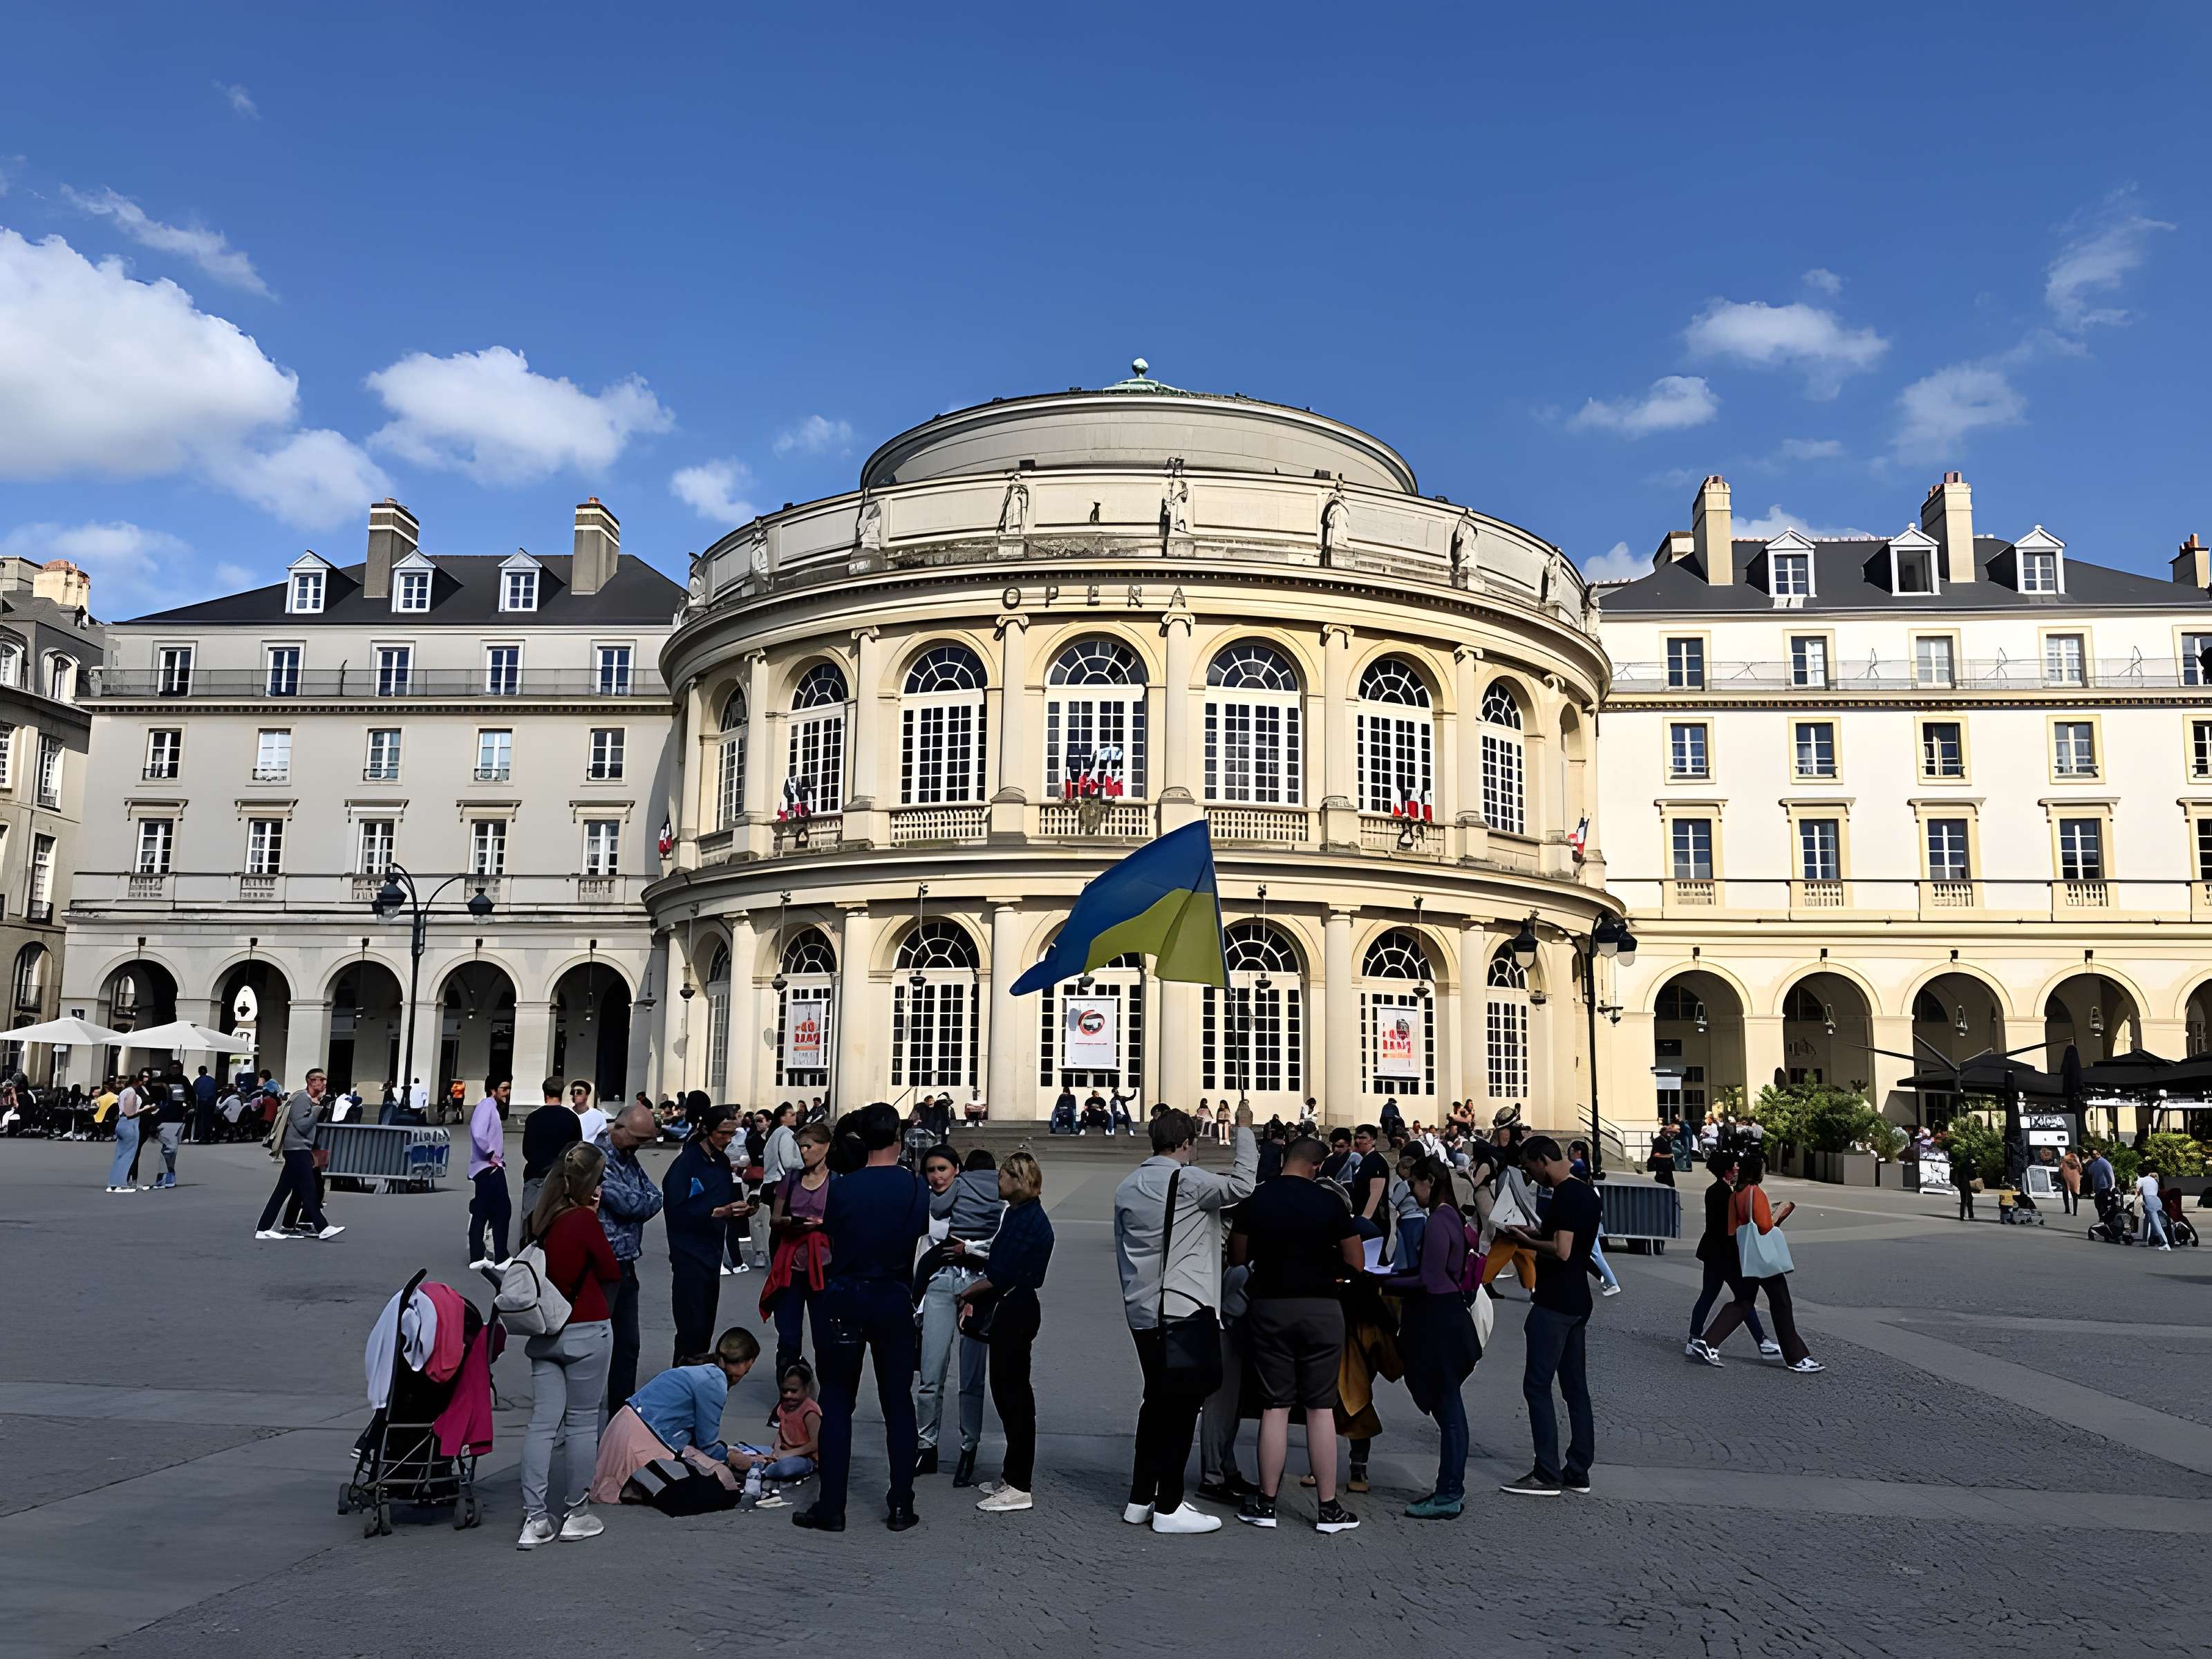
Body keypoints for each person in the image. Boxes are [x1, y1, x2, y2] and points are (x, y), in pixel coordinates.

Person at [1114, 1101, 1257, 1535]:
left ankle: (1141, 1497)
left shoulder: (1128, 1185)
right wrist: (1244, 1130)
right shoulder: (1188, 1180)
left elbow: (1123, 1248)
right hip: (1184, 1305)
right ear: (1188, 1143)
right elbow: (1244, 1185)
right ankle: (1169, 1505)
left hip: (1142, 1307)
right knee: (1182, 1406)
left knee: (1156, 1402)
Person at [794, 1101, 931, 1534]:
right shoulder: (915, 1186)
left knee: (838, 1400)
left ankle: (832, 1505)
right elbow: (917, 1234)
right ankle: (901, 1503)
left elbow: (833, 1233)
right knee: (898, 1403)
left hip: (847, 1294)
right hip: (892, 1295)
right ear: (898, 1139)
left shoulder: (843, 1187)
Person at [1229, 1136, 1365, 1534]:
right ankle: (1328, 1509)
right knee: (1321, 1408)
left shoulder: (1256, 1198)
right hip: (1322, 1308)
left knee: (1275, 1406)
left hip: (1270, 1306)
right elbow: (1356, 1262)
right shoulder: (1330, 1202)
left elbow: (1237, 1257)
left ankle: (1267, 1504)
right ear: (1317, 1167)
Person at [516, 1143, 621, 1548]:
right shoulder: (583, 1221)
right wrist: (592, 1216)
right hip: (587, 1328)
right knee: (581, 1424)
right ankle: (576, 1513)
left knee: (542, 1425)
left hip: (545, 1331)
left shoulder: (539, 1219)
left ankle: (534, 1519)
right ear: (589, 1183)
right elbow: (611, 1270)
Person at [1497, 1136, 1597, 1497]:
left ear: (1542, 1159)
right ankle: (1578, 1471)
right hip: (1578, 1298)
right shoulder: (1585, 1192)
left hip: (1555, 1300)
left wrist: (1525, 1242)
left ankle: (1546, 1473)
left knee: (1537, 1385)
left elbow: (1562, 1249)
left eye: (1529, 1168)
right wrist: (1534, 1231)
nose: (1529, 1175)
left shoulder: (1565, 1195)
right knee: (1575, 1387)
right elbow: (1568, 1237)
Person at [1382, 1155, 1481, 1518]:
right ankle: (1450, 1488)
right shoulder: (1451, 1215)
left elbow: (1430, 1279)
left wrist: (1383, 1281)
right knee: (1450, 1409)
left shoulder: (1438, 1219)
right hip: (1449, 1316)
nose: (1411, 1191)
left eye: (1414, 1184)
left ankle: (1448, 1493)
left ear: (1428, 1181)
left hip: (1437, 1320)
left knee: (1449, 1411)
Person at [962, 1150, 1053, 1515]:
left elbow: (1002, 1274)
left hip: (1015, 1308)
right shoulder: (1018, 1213)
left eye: (1003, 1175)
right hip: (1015, 1305)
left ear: (1018, 1180)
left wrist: (966, 1293)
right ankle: (1011, 1475)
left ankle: (1019, 1484)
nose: (997, 1181)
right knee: (1006, 1392)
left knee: (1013, 1395)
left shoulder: (1027, 1219)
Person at [590, 1327, 760, 1504]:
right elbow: (707, 1445)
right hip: (641, 1440)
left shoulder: (702, 1371)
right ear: (745, 1364)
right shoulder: (714, 1383)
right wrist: (731, 1457)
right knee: (719, 1485)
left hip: (623, 1429)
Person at [915, 1146, 1001, 1484]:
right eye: (931, 1170)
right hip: (941, 1281)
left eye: (943, 1169)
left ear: (958, 1169)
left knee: (972, 1377)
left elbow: (999, 1244)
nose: (937, 1176)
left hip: (977, 1284)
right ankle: (926, 1445)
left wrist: (972, 1249)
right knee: (930, 1372)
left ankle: (969, 1447)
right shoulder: (933, 1198)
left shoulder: (989, 1196)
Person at [1694, 1154, 1821, 1371]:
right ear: (1757, 1171)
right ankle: (1797, 1358)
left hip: (1747, 1257)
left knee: (1743, 1302)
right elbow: (1765, 1226)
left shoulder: (1736, 1195)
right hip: (1764, 1259)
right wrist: (1781, 1212)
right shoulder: (1756, 1192)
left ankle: (1708, 1342)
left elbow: (1732, 1230)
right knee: (1782, 1304)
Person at [663, 1098, 752, 1365]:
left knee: (705, 1326)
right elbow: (675, 1207)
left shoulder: (721, 1161)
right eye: (722, 1133)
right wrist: (715, 1212)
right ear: (706, 1130)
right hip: (688, 1253)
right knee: (690, 1327)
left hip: (712, 1252)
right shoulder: (688, 1162)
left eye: (731, 1134)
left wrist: (742, 1209)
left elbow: (726, 1196)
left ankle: (697, 1374)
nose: (727, 1139)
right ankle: (681, 1375)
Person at [596, 1101, 665, 1410]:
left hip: (626, 1262)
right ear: (619, 1128)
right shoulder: (597, 1158)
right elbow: (629, 1204)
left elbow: (654, 1196)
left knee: (628, 1344)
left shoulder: (628, 1157)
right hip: (602, 1263)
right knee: (596, 1343)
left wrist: (640, 1202)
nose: (640, 1146)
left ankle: (620, 1411)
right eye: (637, 1139)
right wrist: (640, 1202)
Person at [1687, 1150, 1776, 1365]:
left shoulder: (1715, 1190)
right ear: (1726, 1170)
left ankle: (1694, 1338)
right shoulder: (1727, 1193)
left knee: (1708, 1296)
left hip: (1712, 1251)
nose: (1737, 1168)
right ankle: (1762, 1341)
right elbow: (1733, 1225)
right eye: (1733, 1166)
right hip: (1725, 1254)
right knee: (1744, 1299)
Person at [764, 1122, 834, 1374]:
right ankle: (788, 1383)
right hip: (790, 1263)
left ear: (826, 1147)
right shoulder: (791, 1179)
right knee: (788, 1334)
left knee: (825, 1334)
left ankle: (827, 1386)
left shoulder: (836, 1181)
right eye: (799, 1147)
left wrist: (822, 1225)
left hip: (824, 1265)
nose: (803, 1153)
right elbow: (775, 1219)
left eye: (808, 1146)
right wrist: (789, 1223)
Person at [252, 1069, 341, 1240]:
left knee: (284, 1191)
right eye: (317, 1080)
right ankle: (323, 1227)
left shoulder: (310, 1100)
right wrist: (317, 1111)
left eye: (323, 1080)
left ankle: (263, 1228)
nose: (322, 1083)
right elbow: (302, 1126)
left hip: (299, 1149)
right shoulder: (303, 1099)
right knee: (308, 1190)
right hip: (297, 1149)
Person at [731, 1360, 825, 1490]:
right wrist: (777, 1451)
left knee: (786, 1469)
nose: (788, 1395)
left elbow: (816, 1444)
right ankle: (759, 1464)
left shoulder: (810, 1411)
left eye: (794, 1391)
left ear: (806, 1389)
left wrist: (788, 1454)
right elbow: (781, 1434)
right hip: (783, 1453)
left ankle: (761, 1468)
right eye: (785, 1391)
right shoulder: (783, 1407)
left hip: (804, 1458)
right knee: (736, 1448)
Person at [467, 1080, 513, 1269]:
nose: (507, 1093)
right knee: (500, 1210)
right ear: (493, 1090)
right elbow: (478, 1133)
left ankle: (481, 1256)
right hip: (489, 1167)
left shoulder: (490, 1106)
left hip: (489, 1166)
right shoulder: (487, 1105)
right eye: (504, 1089)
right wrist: (491, 1154)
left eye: (509, 1089)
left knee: (486, 1210)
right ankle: (498, 1256)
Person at [521, 1076, 580, 1219]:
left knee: (531, 1220)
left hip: (536, 1175)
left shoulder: (533, 1118)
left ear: (545, 1093)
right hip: (562, 1179)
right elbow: (577, 1151)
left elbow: (527, 1151)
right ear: (562, 1093)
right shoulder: (572, 1118)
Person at [105, 1074, 149, 1192]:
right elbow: (130, 1112)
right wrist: (144, 1109)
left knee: (120, 1155)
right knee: (128, 1155)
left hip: (122, 1122)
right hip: (130, 1123)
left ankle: (114, 1183)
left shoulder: (123, 1092)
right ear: (136, 1082)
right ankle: (122, 1184)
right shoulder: (131, 1093)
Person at [2137, 1164, 2172, 1250]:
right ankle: (2151, 1239)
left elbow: (2139, 1191)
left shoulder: (2141, 1180)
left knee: (2156, 1223)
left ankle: (2165, 1243)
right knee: (2153, 1221)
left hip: (2149, 1201)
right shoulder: (2154, 1181)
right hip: (2157, 1201)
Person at [571, 1078, 607, 1143]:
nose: (575, 1095)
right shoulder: (567, 1114)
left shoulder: (597, 1115)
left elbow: (603, 1137)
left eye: (579, 1092)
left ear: (587, 1095)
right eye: (573, 1092)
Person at [191, 1065, 219, 1145]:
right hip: (211, 1102)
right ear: (206, 1071)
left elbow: (195, 1093)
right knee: (209, 1119)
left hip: (201, 1102)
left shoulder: (197, 1081)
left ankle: (202, 1137)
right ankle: (209, 1137)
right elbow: (215, 1091)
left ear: (199, 1072)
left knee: (201, 1120)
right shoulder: (212, 1080)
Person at [2059, 1147, 2083, 1216]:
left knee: (2065, 1192)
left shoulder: (2064, 1158)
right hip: (2074, 1178)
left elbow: (2061, 1168)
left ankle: (2067, 1209)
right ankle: (2075, 1212)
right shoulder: (2076, 1158)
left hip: (2066, 1177)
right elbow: (2080, 1168)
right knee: (2074, 1195)